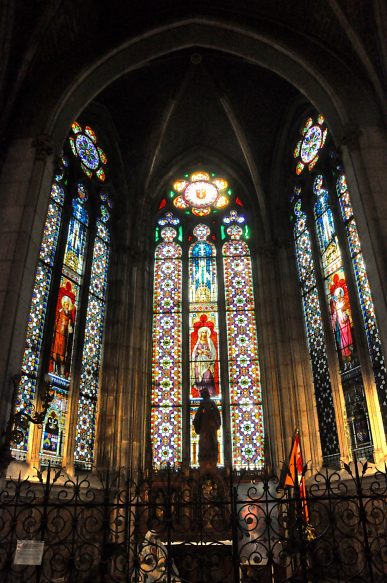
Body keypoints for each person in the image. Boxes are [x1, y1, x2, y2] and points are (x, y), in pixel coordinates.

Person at [193, 388, 221, 466]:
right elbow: (217, 414)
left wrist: (196, 421)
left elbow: (198, 414)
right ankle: (209, 453)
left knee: (206, 439)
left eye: (202, 395)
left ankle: (207, 453)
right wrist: (217, 423)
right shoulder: (210, 403)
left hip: (207, 425)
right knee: (209, 439)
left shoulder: (208, 403)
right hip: (209, 425)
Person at [50, 294, 75, 377]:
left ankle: (61, 372)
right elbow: (57, 322)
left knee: (63, 353)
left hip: (64, 336)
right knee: (56, 351)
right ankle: (54, 370)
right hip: (58, 335)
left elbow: (70, 325)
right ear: (63, 304)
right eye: (66, 304)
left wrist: (70, 328)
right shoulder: (60, 312)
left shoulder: (69, 315)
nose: (67, 306)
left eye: (68, 305)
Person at [192, 326, 217, 396]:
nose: (204, 334)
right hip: (199, 364)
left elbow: (213, 353)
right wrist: (198, 352)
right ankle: (201, 395)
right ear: (200, 333)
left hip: (207, 363)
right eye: (203, 332)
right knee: (199, 379)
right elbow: (194, 354)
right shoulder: (198, 342)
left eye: (206, 332)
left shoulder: (209, 341)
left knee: (208, 376)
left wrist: (207, 353)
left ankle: (211, 395)